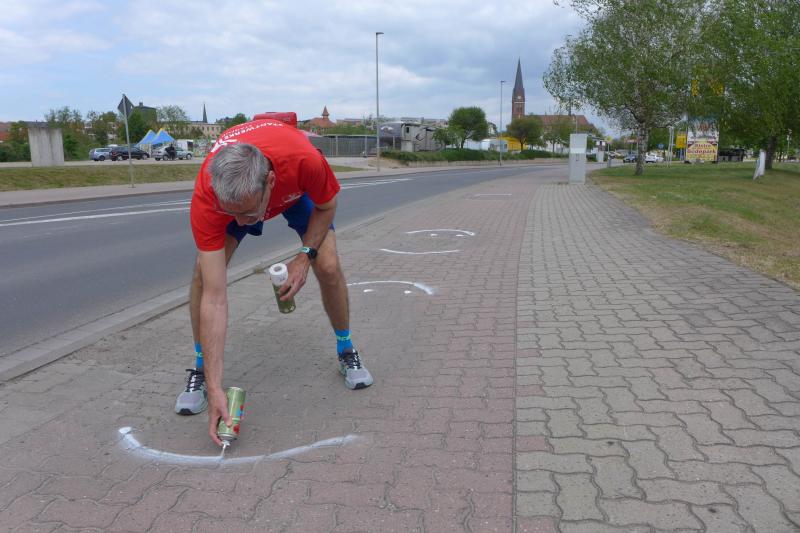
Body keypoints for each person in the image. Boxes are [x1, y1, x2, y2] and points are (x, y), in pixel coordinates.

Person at [175, 118, 373, 446]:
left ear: (270, 181)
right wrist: (215, 386)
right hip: (242, 196)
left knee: (328, 265)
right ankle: (200, 369)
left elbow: (327, 205)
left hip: (294, 194)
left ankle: (346, 348)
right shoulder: (208, 196)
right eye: (232, 214)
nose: (241, 224)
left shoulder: (304, 160)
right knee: (202, 277)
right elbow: (215, 297)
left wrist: (304, 256)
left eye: (248, 216)